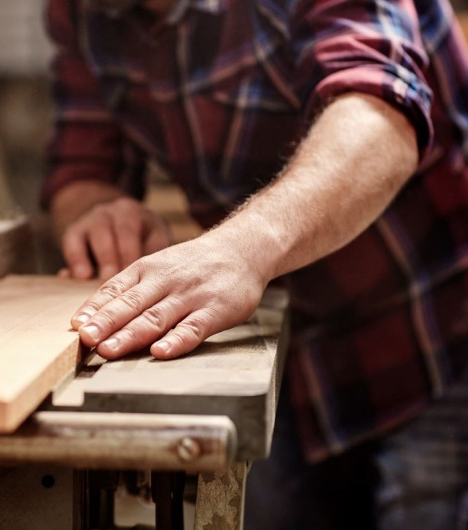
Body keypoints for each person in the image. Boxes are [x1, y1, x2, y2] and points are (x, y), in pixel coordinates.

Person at [41, 0, 468, 527]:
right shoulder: (83, 11)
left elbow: (381, 116)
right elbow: (80, 165)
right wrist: (97, 210)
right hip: (284, 343)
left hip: (434, 331)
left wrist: (240, 251)